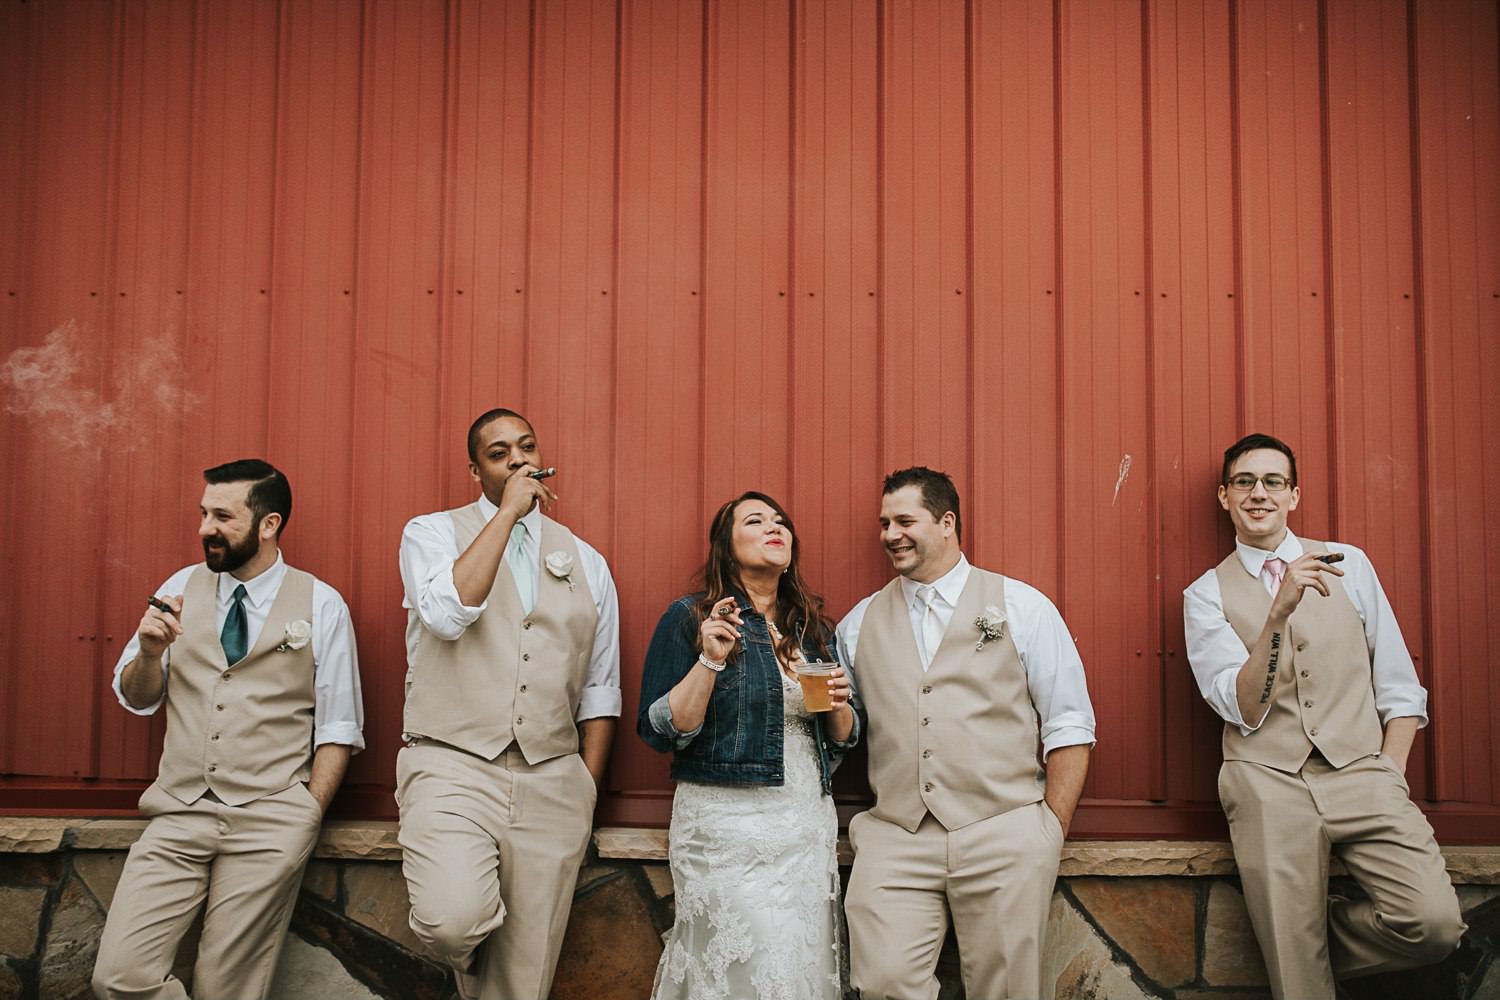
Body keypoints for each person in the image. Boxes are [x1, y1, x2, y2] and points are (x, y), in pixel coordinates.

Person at [1183, 432, 1464, 999]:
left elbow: (1398, 684)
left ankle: (1302, 933)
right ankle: (1293, 946)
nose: (1258, 493)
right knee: (1300, 986)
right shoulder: (1205, 594)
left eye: (1273, 482)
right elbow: (1244, 707)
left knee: (1434, 925)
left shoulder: (1349, 565)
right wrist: (1279, 613)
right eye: (1244, 482)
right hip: (1267, 782)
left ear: (1294, 495)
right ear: (1224, 497)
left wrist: (1389, 770)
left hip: (1361, 771)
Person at [92, 459, 365, 1000]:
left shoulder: (321, 603)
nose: (204, 529)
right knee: (118, 978)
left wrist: (305, 814)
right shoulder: (177, 588)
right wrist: (149, 653)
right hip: (178, 812)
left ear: (269, 524)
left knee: (228, 989)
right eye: (202, 513)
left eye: (221, 516)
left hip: (271, 821)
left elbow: (339, 725)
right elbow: (138, 697)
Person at [839, 466, 1095, 1000]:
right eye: (884, 523)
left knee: (1005, 991)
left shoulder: (1022, 607)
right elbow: (850, 728)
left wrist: (1049, 830)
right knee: (882, 981)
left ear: (948, 522)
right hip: (896, 834)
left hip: (1005, 830)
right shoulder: (858, 623)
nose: (890, 534)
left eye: (904, 520)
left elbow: (1069, 721)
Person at [397, 408, 620, 1000]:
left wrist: (584, 791)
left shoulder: (589, 563)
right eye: (499, 453)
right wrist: (507, 516)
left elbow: (599, 688)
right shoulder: (431, 534)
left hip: (552, 778)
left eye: (526, 446)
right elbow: (447, 615)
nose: (518, 459)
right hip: (452, 764)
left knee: (523, 982)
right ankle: (476, 959)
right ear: (476, 470)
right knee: (452, 921)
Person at [638, 491, 859, 1000]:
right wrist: (711, 659)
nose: (773, 527)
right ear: (726, 545)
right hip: (724, 828)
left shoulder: (812, 628)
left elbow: (845, 736)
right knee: (742, 964)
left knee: (795, 964)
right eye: (755, 521)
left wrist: (840, 705)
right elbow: (659, 730)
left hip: (803, 823)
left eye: (780, 521)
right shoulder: (692, 618)